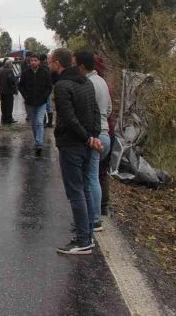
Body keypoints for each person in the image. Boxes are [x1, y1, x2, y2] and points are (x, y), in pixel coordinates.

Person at [48, 48, 102, 255]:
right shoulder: (86, 82)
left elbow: (68, 118)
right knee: (85, 188)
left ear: (57, 64)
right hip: (87, 144)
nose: (49, 64)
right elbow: (95, 111)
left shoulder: (62, 86)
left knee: (75, 192)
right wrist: (93, 136)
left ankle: (82, 241)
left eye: (51, 61)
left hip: (72, 145)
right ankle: (87, 234)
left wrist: (87, 137)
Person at [75, 50, 112, 233]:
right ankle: (97, 213)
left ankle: (95, 219)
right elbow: (110, 109)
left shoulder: (88, 83)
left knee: (90, 178)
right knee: (96, 176)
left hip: (95, 136)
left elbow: (87, 112)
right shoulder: (103, 82)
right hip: (106, 133)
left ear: (81, 66)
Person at [18, 53, 53, 155]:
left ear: (39, 61)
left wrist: (45, 96)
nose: (33, 62)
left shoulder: (45, 72)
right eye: (31, 60)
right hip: (30, 103)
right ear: (29, 62)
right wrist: (25, 96)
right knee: (34, 123)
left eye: (35, 60)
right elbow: (20, 86)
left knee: (39, 122)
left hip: (41, 102)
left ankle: (39, 143)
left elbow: (49, 86)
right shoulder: (25, 73)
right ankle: (37, 139)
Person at [94, 54, 115, 217]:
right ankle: (103, 206)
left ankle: (96, 210)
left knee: (92, 172)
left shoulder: (92, 84)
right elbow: (109, 110)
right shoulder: (106, 84)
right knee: (103, 171)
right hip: (109, 130)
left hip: (98, 131)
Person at [0, 57, 17, 124]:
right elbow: (11, 82)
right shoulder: (9, 71)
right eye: (11, 64)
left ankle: (3, 119)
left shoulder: (0, 69)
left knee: (3, 106)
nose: (12, 65)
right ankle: (9, 119)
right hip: (8, 91)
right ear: (9, 64)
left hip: (1, 91)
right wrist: (15, 89)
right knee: (9, 106)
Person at [39, 54, 54, 127]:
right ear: (45, 59)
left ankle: (44, 122)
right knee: (49, 106)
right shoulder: (48, 68)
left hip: (41, 90)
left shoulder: (39, 67)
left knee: (42, 106)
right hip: (48, 89)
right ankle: (50, 122)